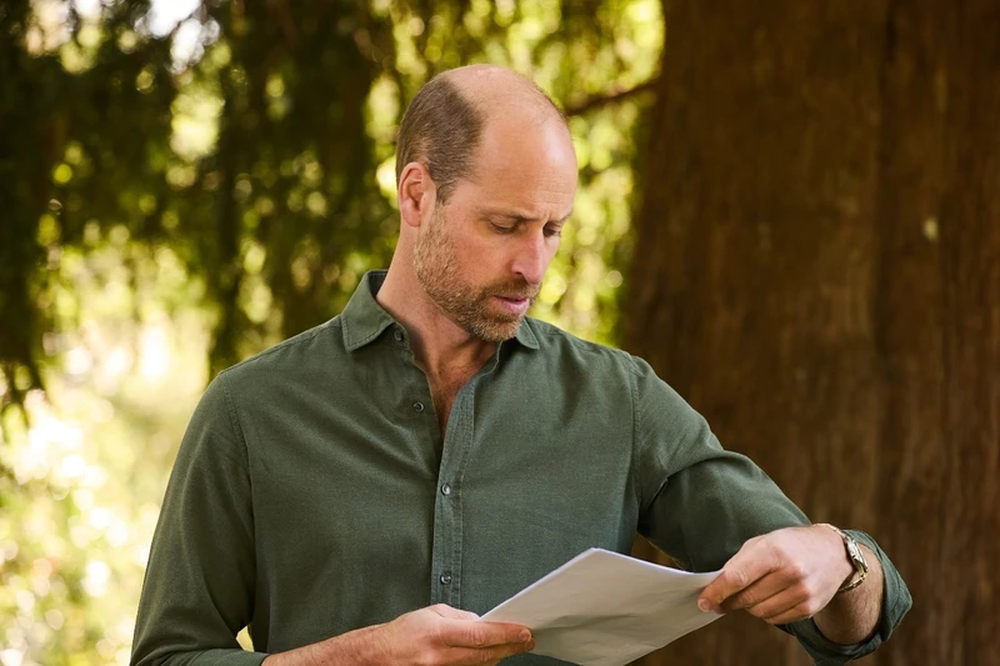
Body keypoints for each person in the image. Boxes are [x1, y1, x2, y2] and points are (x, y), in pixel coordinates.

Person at [131, 64, 910, 666]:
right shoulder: (249, 412)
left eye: (553, 231)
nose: (532, 265)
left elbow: (856, 617)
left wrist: (838, 559)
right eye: (505, 225)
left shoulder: (620, 402)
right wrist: (354, 656)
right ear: (415, 194)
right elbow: (166, 656)